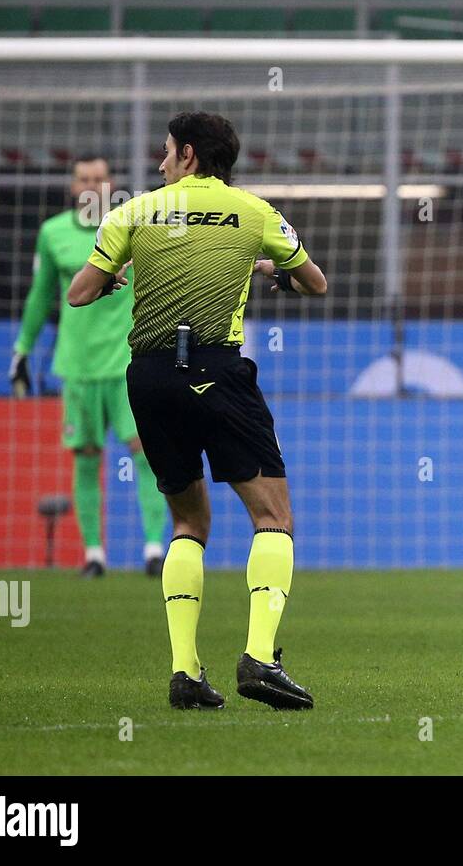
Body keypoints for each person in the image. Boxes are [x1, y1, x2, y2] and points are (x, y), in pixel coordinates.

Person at [66, 112, 328, 711]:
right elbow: (315, 282)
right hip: (219, 373)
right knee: (273, 516)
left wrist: (113, 281)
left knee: (188, 523)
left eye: (165, 152)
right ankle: (260, 657)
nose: (160, 163)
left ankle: (186, 672)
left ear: (187, 153)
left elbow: (80, 292)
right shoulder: (256, 212)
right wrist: (270, 271)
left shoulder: (133, 212)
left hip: (151, 380)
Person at [11, 155, 168, 578]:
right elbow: (41, 296)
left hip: (126, 363)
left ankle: (154, 549)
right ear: (72, 185)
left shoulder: (133, 228)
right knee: (86, 459)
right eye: (84, 178)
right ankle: (94, 555)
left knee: (145, 455)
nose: (91, 185)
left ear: (110, 183)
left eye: (99, 178)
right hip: (77, 366)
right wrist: (22, 350)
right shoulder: (53, 233)